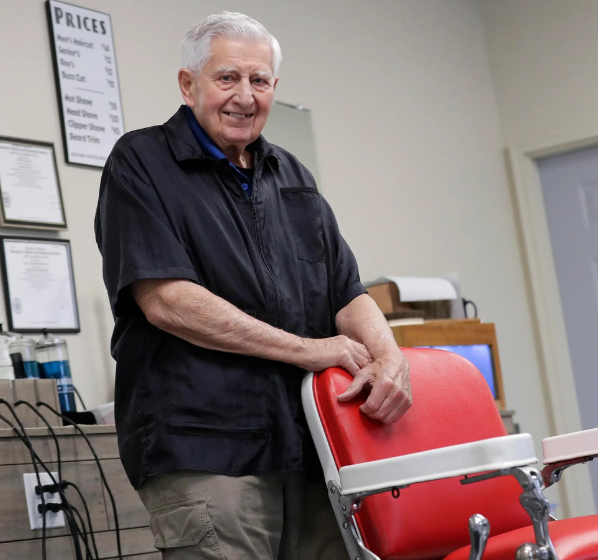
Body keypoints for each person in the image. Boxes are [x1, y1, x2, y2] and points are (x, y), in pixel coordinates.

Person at [94, 11, 412, 560]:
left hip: (313, 448)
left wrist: (389, 357)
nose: (244, 95)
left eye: (258, 80)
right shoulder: (141, 163)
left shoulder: (292, 176)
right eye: (227, 78)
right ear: (188, 84)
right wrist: (313, 351)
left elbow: (346, 290)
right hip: (209, 454)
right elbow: (168, 301)